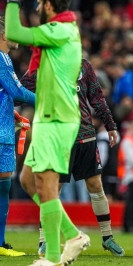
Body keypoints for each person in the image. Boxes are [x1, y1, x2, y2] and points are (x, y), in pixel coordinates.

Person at [5, 1, 90, 265]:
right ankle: (72, 234)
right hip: (48, 115)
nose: (38, 5)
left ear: (51, 5)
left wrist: (11, 2)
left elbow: (14, 32)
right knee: (29, 180)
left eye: (41, 2)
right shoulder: (60, 30)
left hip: (57, 118)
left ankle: (52, 257)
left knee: (47, 185)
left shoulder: (60, 29)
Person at [19, 59, 124, 257]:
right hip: (58, 138)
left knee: (95, 186)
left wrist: (110, 125)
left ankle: (107, 237)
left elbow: (97, 98)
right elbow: (19, 91)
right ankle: (44, 240)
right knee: (52, 188)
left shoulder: (82, 65)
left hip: (85, 135)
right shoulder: (40, 65)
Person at [0, 16, 35, 257]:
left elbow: (6, 94)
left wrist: (10, 111)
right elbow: (16, 91)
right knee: (3, 187)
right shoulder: (1, 58)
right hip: (0, 134)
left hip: (3, 128)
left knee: (3, 186)